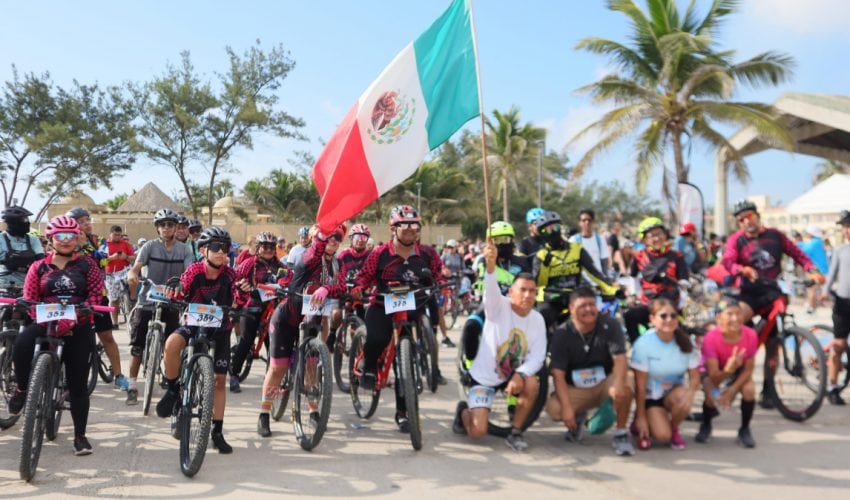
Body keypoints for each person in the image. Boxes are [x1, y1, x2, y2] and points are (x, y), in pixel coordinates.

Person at [10, 215, 104, 455]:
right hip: (46, 321)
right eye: (59, 236)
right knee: (21, 343)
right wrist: (30, 308)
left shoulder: (88, 265)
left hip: (78, 323)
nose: (65, 240)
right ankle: (22, 389)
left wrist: (84, 311)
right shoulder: (38, 266)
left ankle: (80, 436)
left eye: (70, 235)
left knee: (78, 385)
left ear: (77, 238)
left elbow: (95, 295)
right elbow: (30, 296)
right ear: (50, 238)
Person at [352, 205, 446, 433]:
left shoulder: (428, 254)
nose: (410, 229)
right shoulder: (379, 253)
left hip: (412, 307)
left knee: (405, 367)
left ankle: (403, 414)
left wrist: (442, 283)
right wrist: (359, 288)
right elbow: (364, 277)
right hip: (382, 305)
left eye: (414, 225)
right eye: (404, 225)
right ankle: (369, 367)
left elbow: (438, 275)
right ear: (394, 228)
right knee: (377, 337)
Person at [156, 227, 243, 454]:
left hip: (221, 329)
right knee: (171, 345)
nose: (221, 252)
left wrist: (244, 295)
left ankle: (217, 432)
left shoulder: (230, 274)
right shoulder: (194, 270)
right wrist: (175, 289)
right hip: (193, 324)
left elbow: (238, 295)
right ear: (203, 250)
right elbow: (182, 285)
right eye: (216, 247)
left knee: (219, 381)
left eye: (225, 248)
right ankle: (173, 390)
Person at [452, 240, 546, 451]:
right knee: (478, 431)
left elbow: (538, 357)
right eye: (522, 290)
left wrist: (520, 374)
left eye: (532, 291)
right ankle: (463, 411)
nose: (528, 295)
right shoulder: (497, 306)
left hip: (513, 376)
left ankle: (516, 431)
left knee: (532, 383)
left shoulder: (537, 319)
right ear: (511, 292)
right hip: (484, 378)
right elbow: (491, 289)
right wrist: (491, 265)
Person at [257, 223, 346, 437]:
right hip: (287, 318)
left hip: (312, 319)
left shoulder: (337, 263)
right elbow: (316, 250)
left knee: (311, 367)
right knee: (278, 368)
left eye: (337, 237)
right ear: (318, 238)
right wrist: (322, 234)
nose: (333, 241)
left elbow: (342, 287)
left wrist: (326, 288)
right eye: (329, 237)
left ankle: (313, 411)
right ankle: (264, 413)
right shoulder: (309, 256)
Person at [546, 287, 635, 456]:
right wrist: (567, 408)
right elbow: (558, 374)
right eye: (583, 306)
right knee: (555, 408)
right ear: (571, 308)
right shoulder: (561, 334)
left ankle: (621, 433)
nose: (588, 309)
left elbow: (620, 359)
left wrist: (617, 385)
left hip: (605, 384)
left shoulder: (610, 325)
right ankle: (578, 416)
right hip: (577, 388)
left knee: (626, 381)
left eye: (592, 304)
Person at [125, 208, 193, 405]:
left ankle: (169, 377)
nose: (166, 228)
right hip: (147, 300)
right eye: (162, 225)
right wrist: (132, 275)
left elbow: (189, 272)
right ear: (157, 228)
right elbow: (135, 268)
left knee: (172, 346)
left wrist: (184, 285)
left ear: (176, 227)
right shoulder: (149, 246)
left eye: (170, 224)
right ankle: (132, 385)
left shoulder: (185, 250)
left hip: (171, 301)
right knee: (137, 347)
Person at [722, 199, 824, 326]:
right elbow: (728, 262)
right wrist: (742, 270)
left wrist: (813, 270)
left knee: (775, 333)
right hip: (750, 293)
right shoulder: (735, 240)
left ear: (758, 216)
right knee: (735, 322)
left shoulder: (775, 235)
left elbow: (797, 254)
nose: (747, 221)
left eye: (749, 216)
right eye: (741, 220)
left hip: (775, 291)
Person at [66, 207, 127, 391]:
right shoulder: (65, 241)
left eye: (87, 220)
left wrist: (84, 246)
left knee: (107, 336)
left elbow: (103, 260)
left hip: (98, 294)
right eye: (81, 221)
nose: (86, 224)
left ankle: (119, 375)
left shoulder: (98, 241)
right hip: (73, 296)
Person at [629, 299, 700, 450]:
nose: (669, 320)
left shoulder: (687, 342)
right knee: (662, 436)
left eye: (673, 316)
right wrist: (641, 416)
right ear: (652, 319)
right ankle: (640, 421)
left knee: (684, 398)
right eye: (663, 316)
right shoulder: (643, 344)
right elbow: (640, 386)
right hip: (651, 398)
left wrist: (690, 393)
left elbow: (695, 377)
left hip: (673, 394)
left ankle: (674, 428)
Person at [531, 210, 617, 331]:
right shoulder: (541, 255)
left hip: (573, 295)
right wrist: (545, 265)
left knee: (593, 318)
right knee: (543, 319)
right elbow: (539, 284)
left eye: (555, 227)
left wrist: (611, 290)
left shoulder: (577, 249)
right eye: (547, 230)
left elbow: (594, 272)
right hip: (549, 298)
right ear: (541, 234)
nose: (553, 232)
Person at [462, 221, 531, 365]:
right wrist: (490, 262)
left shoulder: (523, 262)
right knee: (471, 325)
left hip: (517, 307)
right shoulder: (484, 261)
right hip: (491, 306)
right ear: (490, 242)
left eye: (506, 239)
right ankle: (470, 363)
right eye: (497, 240)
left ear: (512, 240)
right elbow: (483, 281)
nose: (502, 244)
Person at [696, 298, 758, 448]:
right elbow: (714, 377)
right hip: (714, 373)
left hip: (737, 371)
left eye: (738, 314)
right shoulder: (710, 338)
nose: (735, 318)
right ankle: (706, 424)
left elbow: (748, 369)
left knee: (749, 390)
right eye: (730, 314)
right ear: (718, 318)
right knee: (712, 394)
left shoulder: (751, 334)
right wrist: (728, 369)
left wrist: (732, 390)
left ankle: (745, 429)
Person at [229, 231, 286, 393]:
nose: (268, 250)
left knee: (273, 343)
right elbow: (235, 279)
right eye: (264, 246)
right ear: (259, 247)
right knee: (246, 340)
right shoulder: (249, 264)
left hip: (272, 308)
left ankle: (272, 377)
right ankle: (234, 375)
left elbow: (288, 279)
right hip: (251, 305)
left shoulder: (280, 266)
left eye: (271, 247)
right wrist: (242, 285)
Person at [623, 217, 689, 343]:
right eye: (652, 235)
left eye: (659, 234)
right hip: (648, 304)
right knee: (629, 316)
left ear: (665, 234)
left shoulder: (676, 256)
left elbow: (683, 282)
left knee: (681, 334)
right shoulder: (639, 256)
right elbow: (633, 277)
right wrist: (635, 295)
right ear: (644, 239)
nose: (657, 238)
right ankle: (637, 347)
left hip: (670, 304)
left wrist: (681, 304)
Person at [825, 210, 850, 405]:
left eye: (849, 226)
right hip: (843, 303)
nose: (847, 230)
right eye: (845, 227)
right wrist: (825, 291)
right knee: (839, 345)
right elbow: (831, 274)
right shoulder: (840, 250)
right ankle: (832, 387)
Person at [0, 206, 45, 290]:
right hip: (3, 283)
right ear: (13, 222)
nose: (27, 222)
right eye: (24, 220)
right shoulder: (1, 238)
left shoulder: (33, 239)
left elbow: (41, 260)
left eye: (27, 219)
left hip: (29, 283)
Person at [101, 225, 135, 325]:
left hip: (124, 271)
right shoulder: (105, 245)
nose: (118, 237)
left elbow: (133, 258)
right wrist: (111, 258)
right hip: (111, 274)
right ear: (110, 234)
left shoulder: (125, 244)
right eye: (115, 235)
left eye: (119, 235)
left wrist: (126, 257)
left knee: (133, 280)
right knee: (114, 299)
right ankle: (115, 322)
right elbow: (100, 261)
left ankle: (133, 298)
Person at [569, 209, 610, 277]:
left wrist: (605, 280)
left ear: (593, 222)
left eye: (589, 220)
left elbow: (604, 263)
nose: (587, 222)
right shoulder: (573, 240)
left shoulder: (600, 240)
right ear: (579, 223)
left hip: (598, 281)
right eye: (584, 220)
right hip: (581, 281)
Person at [799, 225, 829, 314]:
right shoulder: (818, 242)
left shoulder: (815, 242)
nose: (806, 234)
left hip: (816, 270)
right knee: (814, 289)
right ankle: (814, 306)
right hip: (819, 270)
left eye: (807, 232)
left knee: (811, 289)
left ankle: (812, 307)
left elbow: (804, 250)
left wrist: (798, 243)